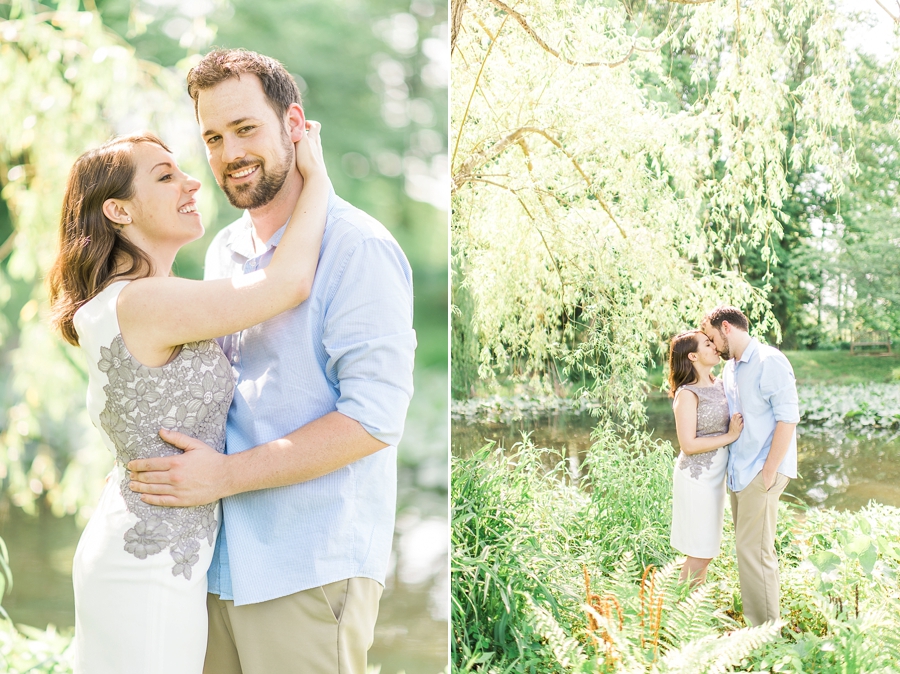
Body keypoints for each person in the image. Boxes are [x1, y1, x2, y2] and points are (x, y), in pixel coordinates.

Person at [126, 49, 416, 674]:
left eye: (246, 129)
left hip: (307, 569)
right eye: (213, 137)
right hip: (216, 568)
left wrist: (224, 477)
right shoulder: (225, 250)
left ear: (293, 125)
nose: (230, 153)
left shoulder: (357, 248)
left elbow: (374, 420)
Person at [47, 121, 330, 674]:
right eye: (165, 176)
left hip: (154, 553)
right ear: (119, 211)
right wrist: (315, 176)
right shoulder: (146, 302)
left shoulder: (130, 302)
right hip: (145, 568)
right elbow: (288, 283)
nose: (192, 183)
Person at [701, 306, 799, 626]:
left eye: (713, 338)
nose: (712, 346)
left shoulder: (769, 361)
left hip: (763, 468)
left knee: (756, 553)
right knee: (747, 550)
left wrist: (769, 471)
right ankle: (758, 627)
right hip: (741, 470)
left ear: (726, 327)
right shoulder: (731, 369)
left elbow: (788, 418)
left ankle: (766, 634)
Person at [668, 330, 743, 587]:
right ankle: (676, 611)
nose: (714, 347)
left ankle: (691, 608)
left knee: (707, 552)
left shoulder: (721, 384)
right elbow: (688, 445)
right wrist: (730, 436)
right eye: (707, 344)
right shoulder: (687, 394)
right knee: (700, 553)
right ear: (693, 356)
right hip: (696, 479)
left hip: (715, 480)